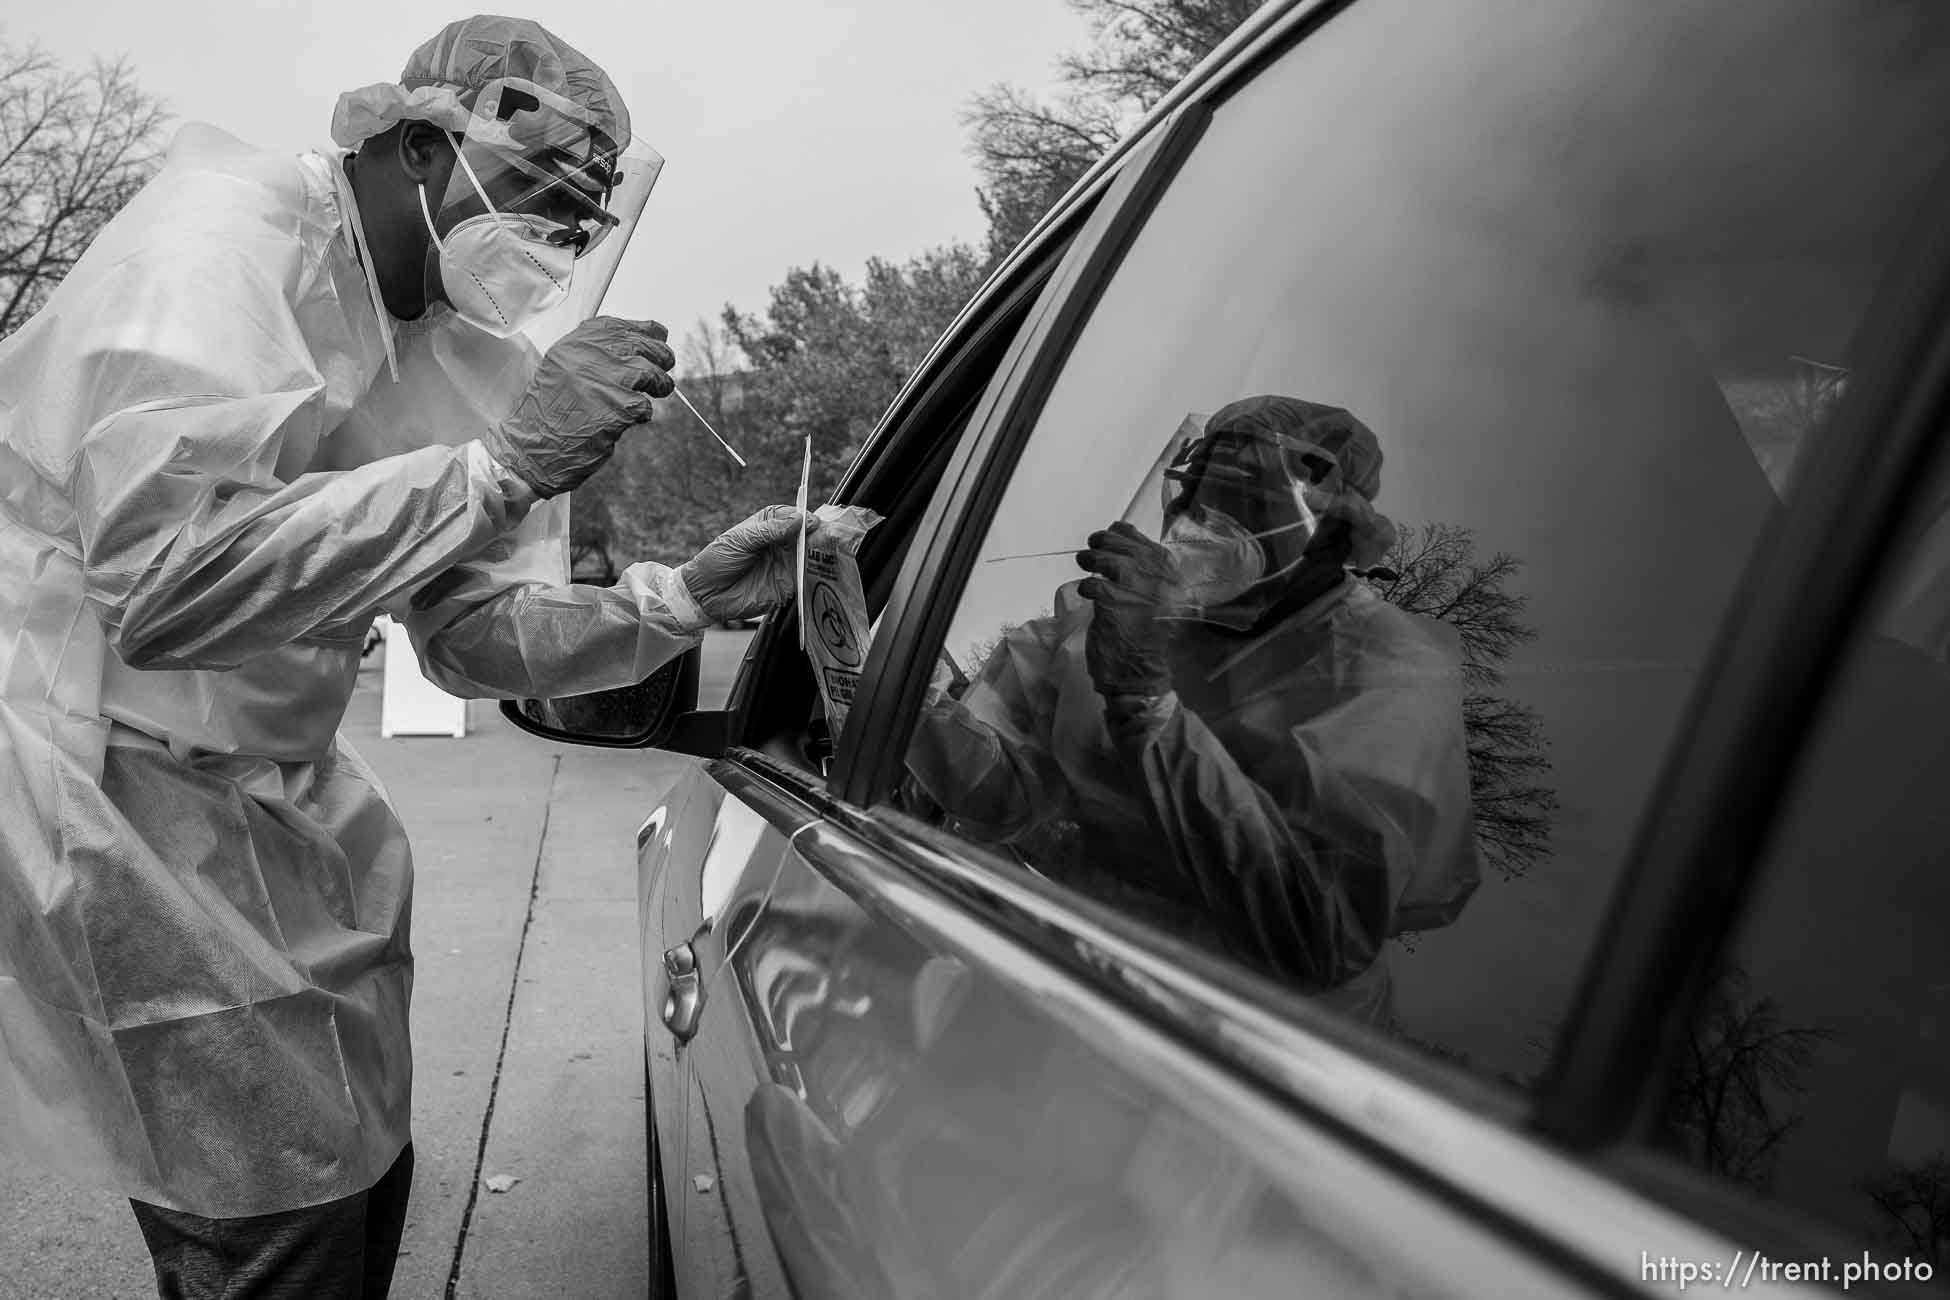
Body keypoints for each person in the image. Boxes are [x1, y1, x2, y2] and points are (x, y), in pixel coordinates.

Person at [0, 16, 803, 1297]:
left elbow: (473, 631)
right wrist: (496, 472)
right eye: (537, 193)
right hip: (96, 774)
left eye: (577, 222)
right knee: (270, 1217)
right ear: (422, 145)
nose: (550, 243)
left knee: (362, 1181)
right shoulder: (220, 244)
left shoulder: (474, 358)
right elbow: (162, 587)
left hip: (272, 785)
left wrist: (675, 600)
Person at [906, 395, 1480, 1022]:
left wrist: (1144, 699)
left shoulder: (1386, 667)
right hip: (1074, 993)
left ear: (1331, 527)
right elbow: (1001, 793)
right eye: (1195, 489)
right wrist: (856, 651)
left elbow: (1312, 930)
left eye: (1242, 493)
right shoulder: (1104, 621)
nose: (1197, 517)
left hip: (1256, 1056)